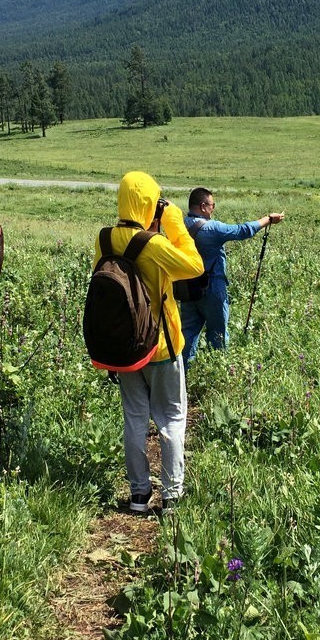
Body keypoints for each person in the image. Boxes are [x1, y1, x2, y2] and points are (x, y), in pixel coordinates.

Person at [96, 171, 203, 513]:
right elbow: (194, 267)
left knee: (135, 418)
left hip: (125, 347)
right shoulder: (153, 244)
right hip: (161, 346)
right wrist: (173, 222)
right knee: (172, 418)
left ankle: (139, 494)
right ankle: (172, 494)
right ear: (149, 203)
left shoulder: (104, 239)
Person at [180, 187, 284, 366]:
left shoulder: (181, 225)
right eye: (213, 205)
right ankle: (218, 373)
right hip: (212, 289)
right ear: (203, 206)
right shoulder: (212, 228)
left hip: (188, 289)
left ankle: (182, 377)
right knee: (218, 335)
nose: (213, 209)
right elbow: (242, 230)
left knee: (187, 335)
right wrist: (268, 219)